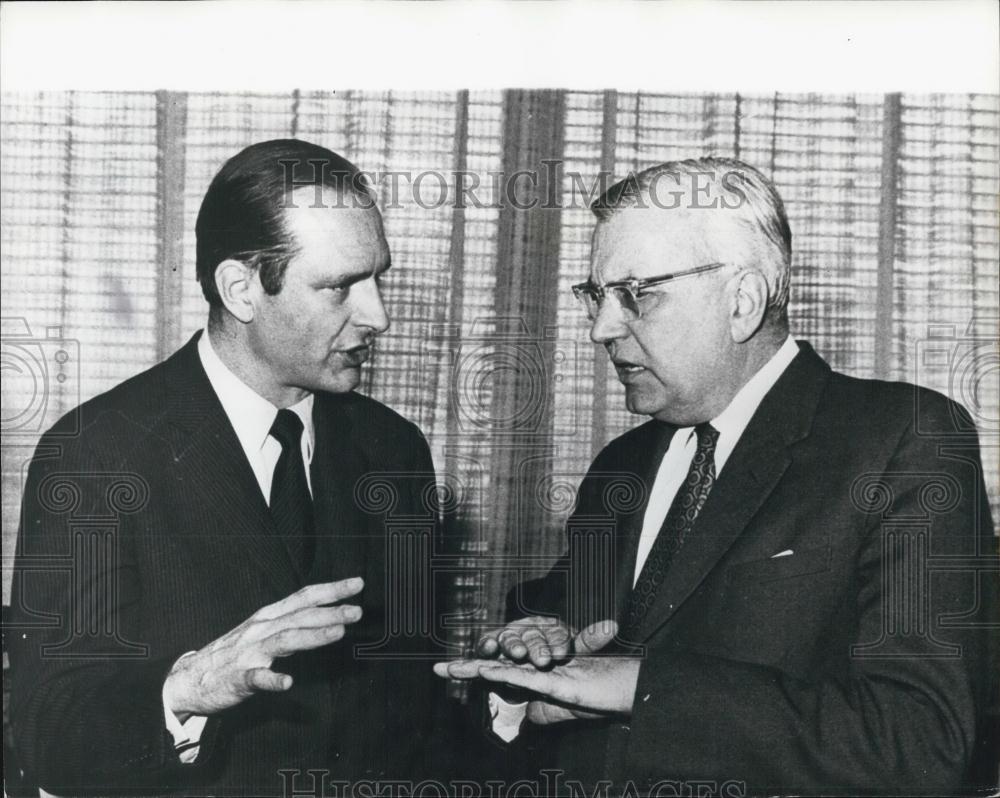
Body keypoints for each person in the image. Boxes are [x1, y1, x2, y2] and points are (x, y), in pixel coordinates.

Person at [436, 157, 998, 795]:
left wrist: (641, 688)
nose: (600, 328)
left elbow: (922, 739)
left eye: (636, 292)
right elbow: (553, 696)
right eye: (596, 295)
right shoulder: (619, 467)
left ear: (744, 299)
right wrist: (520, 686)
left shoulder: (902, 437)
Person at [9, 139, 444, 795]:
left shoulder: (396, 451)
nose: (377, 316)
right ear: (240, 289)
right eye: (339, 288)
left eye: (377, 276)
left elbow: (411, 709)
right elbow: (51, 733)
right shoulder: (96, 456)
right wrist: (189, 686)